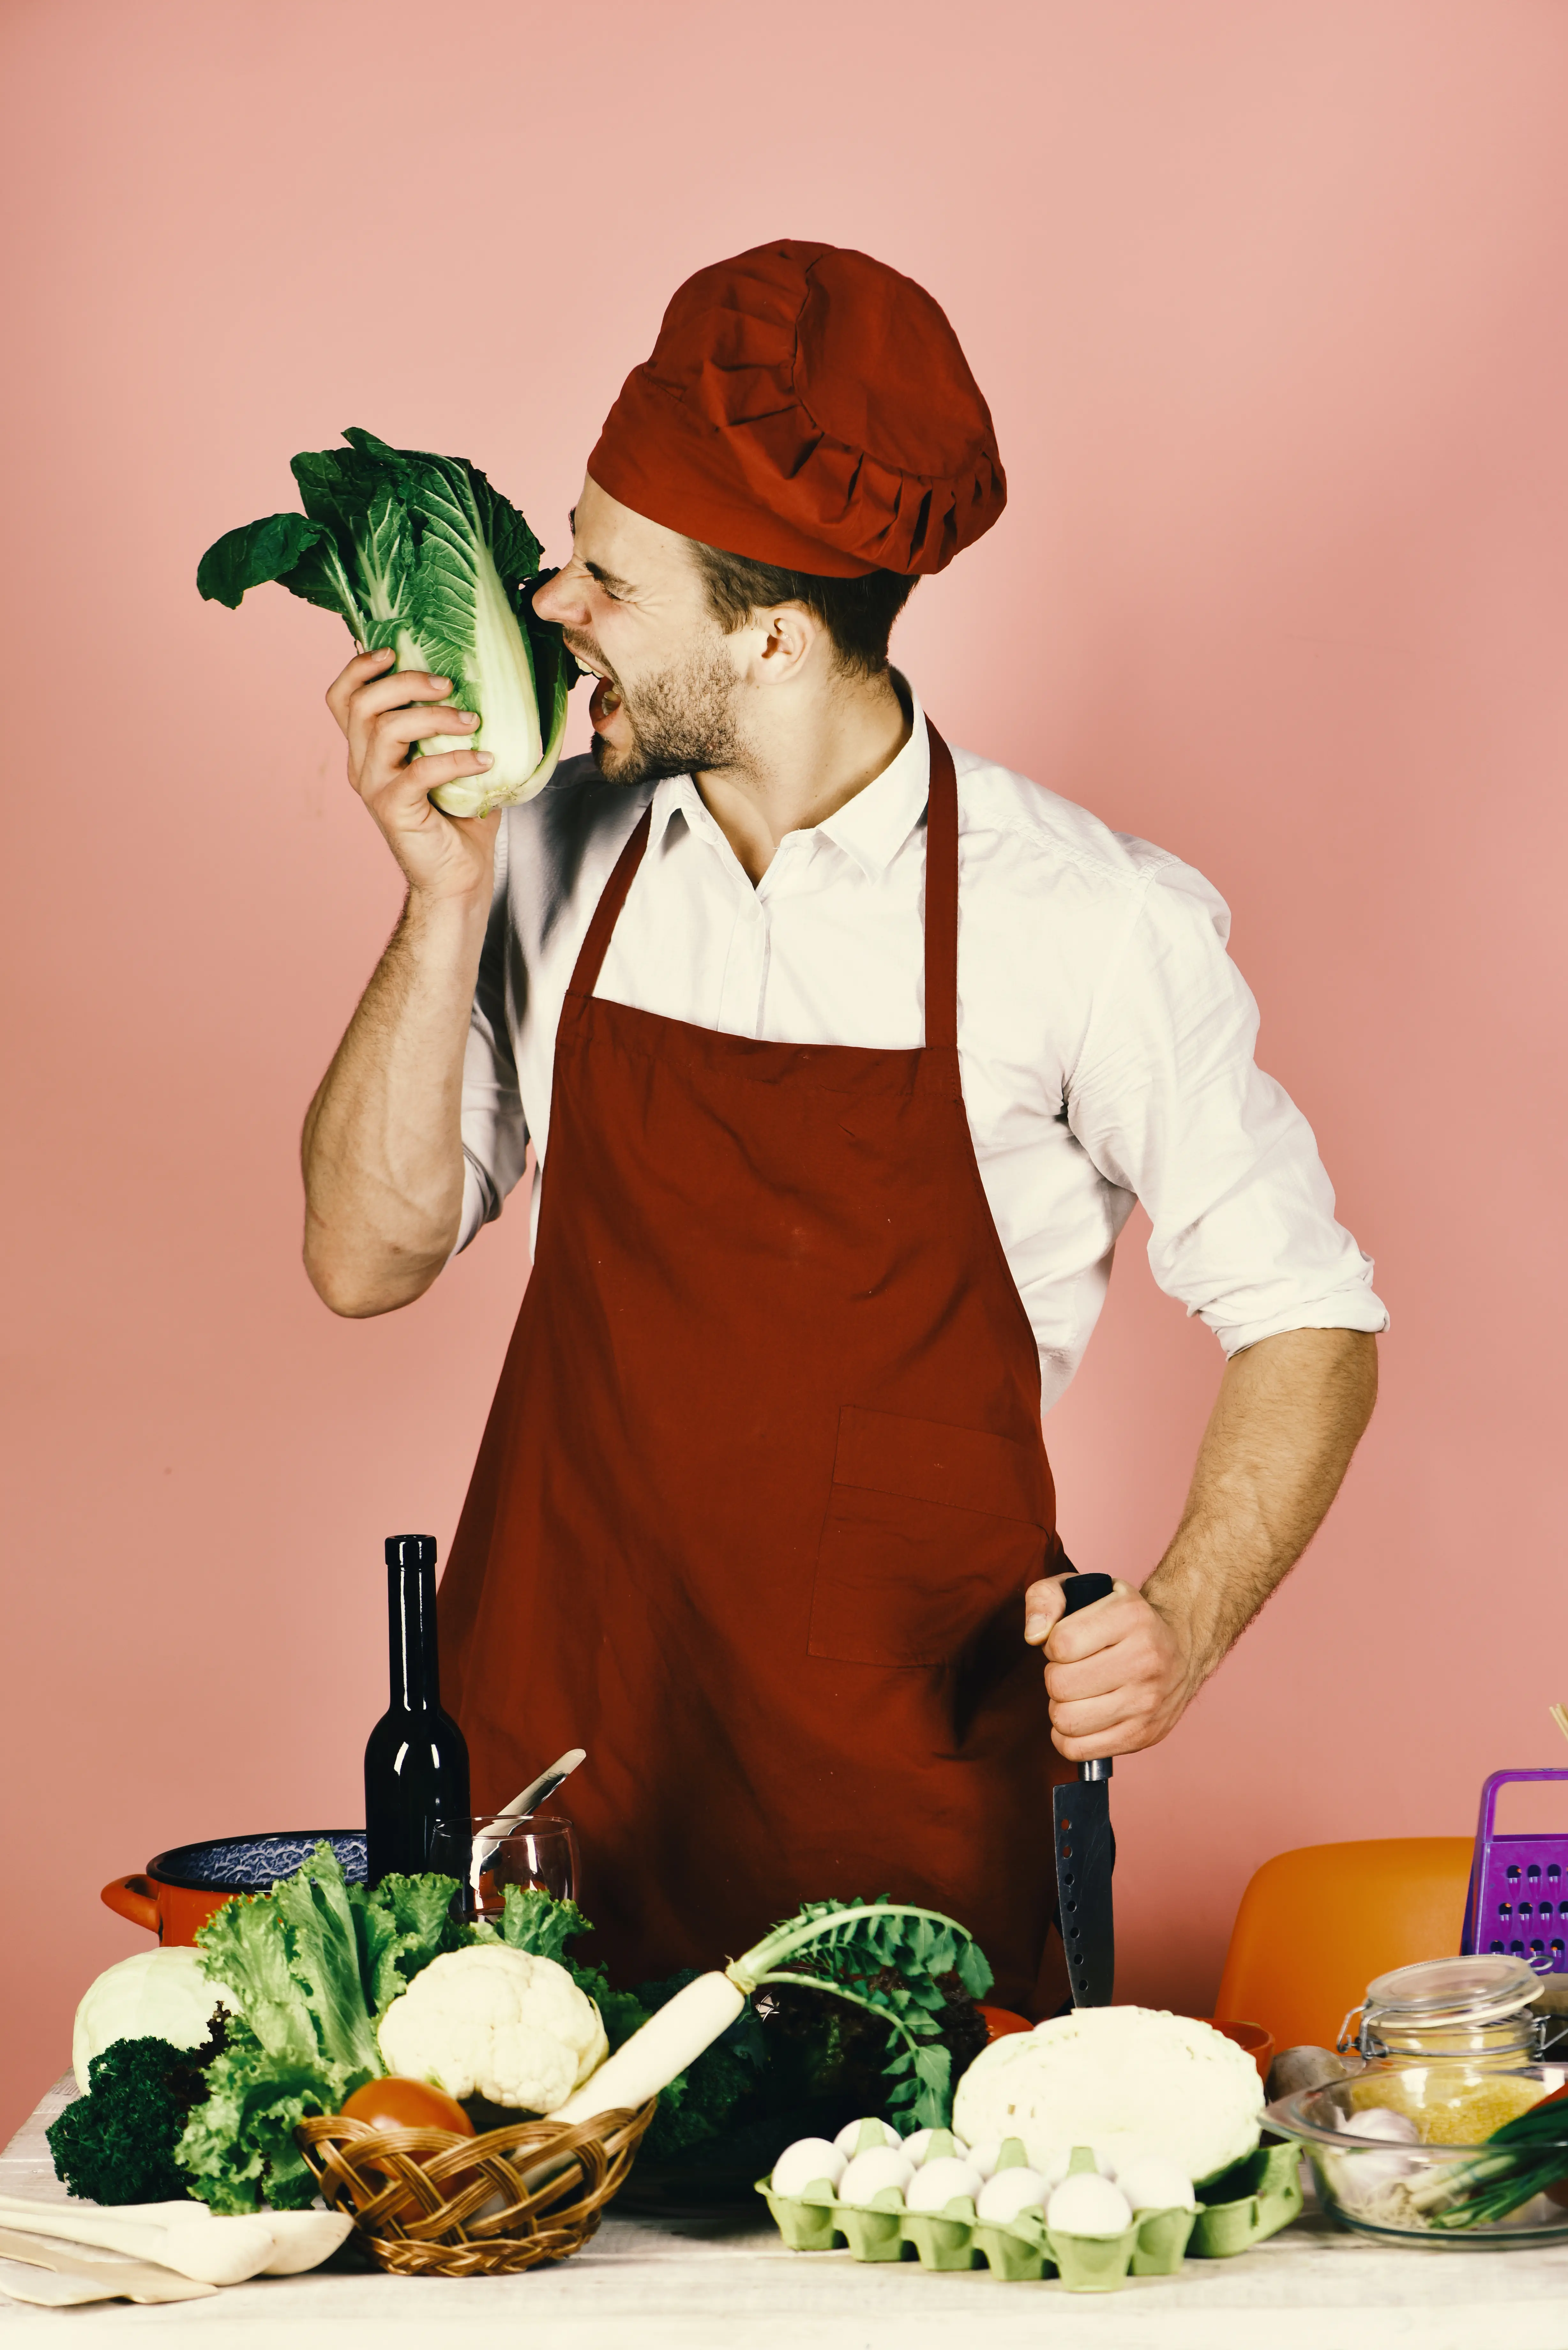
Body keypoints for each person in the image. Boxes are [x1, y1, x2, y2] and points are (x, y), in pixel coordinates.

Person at [302, 240, 1383, 2014]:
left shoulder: (1090, 920)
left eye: (609, 580)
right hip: (553, 1803)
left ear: (776, 637)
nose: (553, 605)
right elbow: (363, 1257)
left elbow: (1306, 1314)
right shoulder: (555, 851)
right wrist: (438, 900)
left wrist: (1183, 1614)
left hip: (899, 1832)